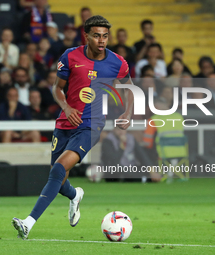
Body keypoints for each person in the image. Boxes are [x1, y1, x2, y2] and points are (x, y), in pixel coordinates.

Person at [12, 15, 133, 240]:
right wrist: (66, 108)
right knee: (58, 178)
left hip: (91, 126)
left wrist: (127, 113)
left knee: (58, 169)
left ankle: (28, 223)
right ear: (86, 36)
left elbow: (129, 89)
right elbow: (57, 88)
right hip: (65, 123)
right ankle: (75, 195)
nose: (101, 40)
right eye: (96, 35)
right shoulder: (70, 56)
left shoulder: (118, 62)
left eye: (105, 36)